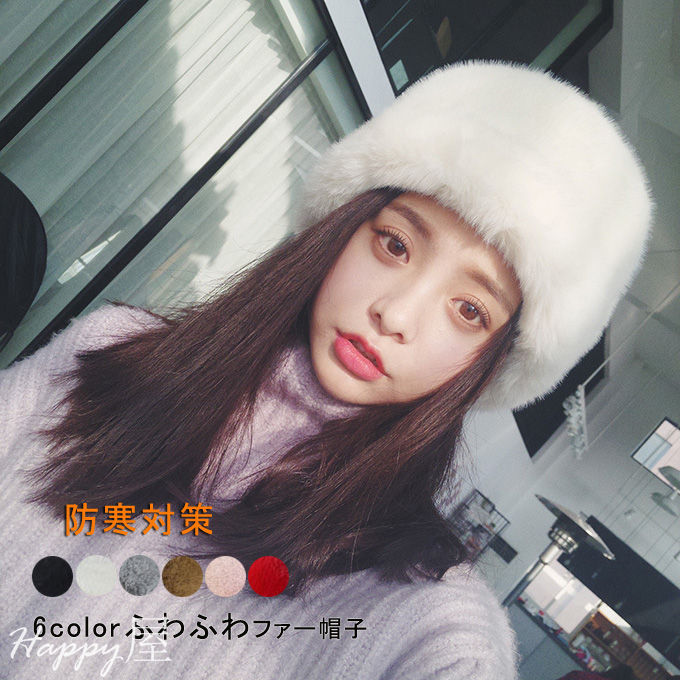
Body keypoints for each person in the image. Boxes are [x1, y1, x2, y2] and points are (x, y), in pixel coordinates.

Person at [0, 61, 652, 679]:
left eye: (469, 310)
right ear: (341, 228)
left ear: (491, 364)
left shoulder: (425, 618)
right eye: (395, 243)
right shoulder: (111, 351)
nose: (395, 313)